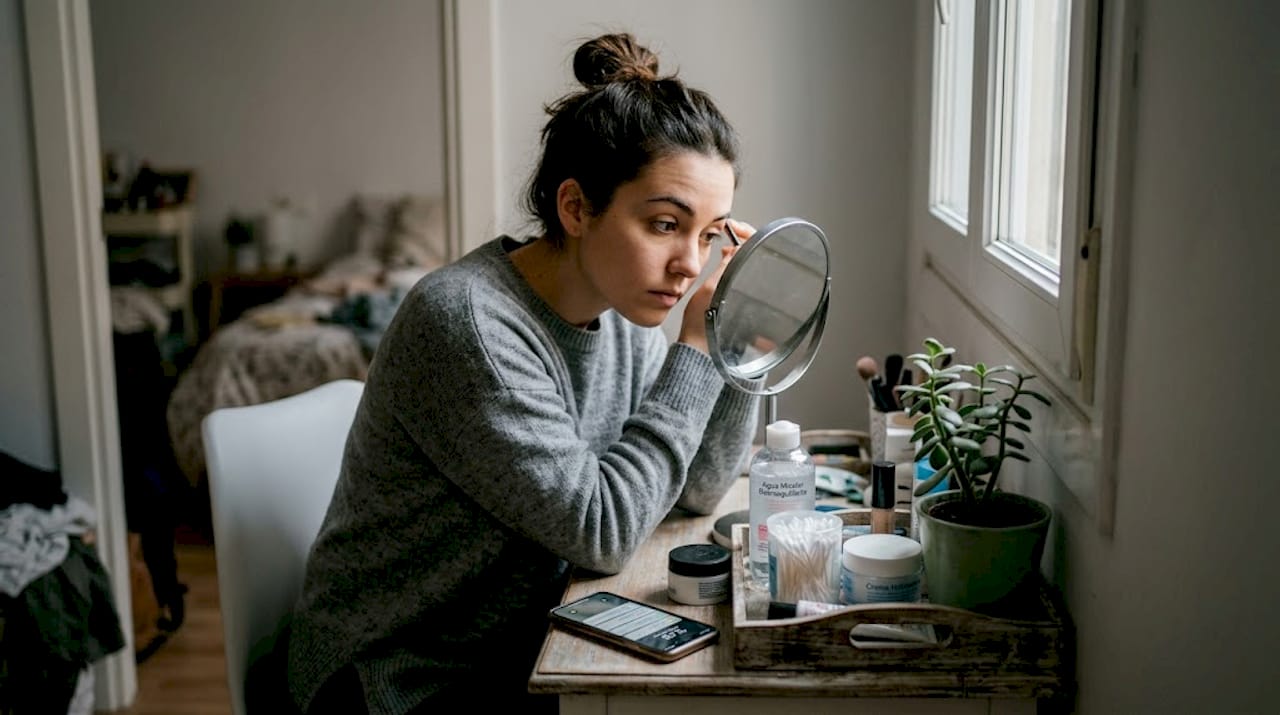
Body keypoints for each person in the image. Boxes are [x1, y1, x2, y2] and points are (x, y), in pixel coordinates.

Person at [284, 31, 758, 714]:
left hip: (524, 648)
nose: (691, 263)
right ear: (574, 208)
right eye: (664, 224)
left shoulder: (625, 308)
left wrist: (734, 348)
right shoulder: (466, 325)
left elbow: (694, 485)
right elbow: (605, 529)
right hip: (400, 678)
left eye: (710, 234)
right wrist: (696, 354)